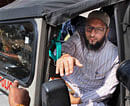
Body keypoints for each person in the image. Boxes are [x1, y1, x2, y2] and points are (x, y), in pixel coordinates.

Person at [56, 10, 119, 106]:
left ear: (107, 32)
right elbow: (61, 50)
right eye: (89, 28)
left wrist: (78, 100)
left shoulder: (115, 55)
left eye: (99, 29)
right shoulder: (79, 38)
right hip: (67, 88)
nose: (92, 34)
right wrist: (64, 55)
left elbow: (108, 89)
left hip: (92, 99)